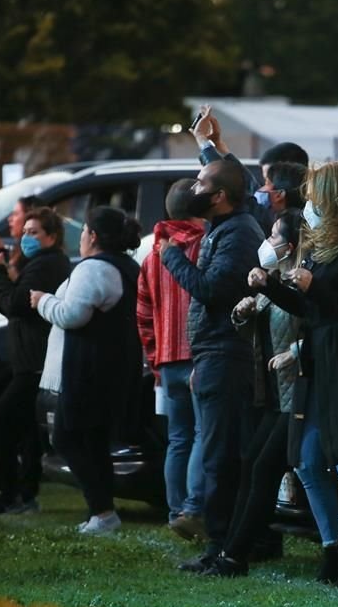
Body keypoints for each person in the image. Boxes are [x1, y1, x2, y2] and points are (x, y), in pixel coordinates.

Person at [253, 161, 338, 585]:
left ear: (336, 198)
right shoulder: (319, 247)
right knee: (307, 461)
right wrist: (271, 286)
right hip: (315, 359)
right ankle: (331, 544)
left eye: (315, 195)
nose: (308, 204)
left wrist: (315, 288)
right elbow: (310, 310)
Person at [160, 160, 265, 570]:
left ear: (219, 197)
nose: (193, 188)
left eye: (201, 183)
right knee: (223, 452)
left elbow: (213, 289)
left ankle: (223, 547)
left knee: (220, 457)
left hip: (225, 354)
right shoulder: (223, 227)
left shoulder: (237, 233)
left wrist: (172, 258)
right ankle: (234, 541)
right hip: (214, 352)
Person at [204, 210, 305, 577]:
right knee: (251, 465)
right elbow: (260, 333)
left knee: (264, 469)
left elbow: (316, 328)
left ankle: (235, 556)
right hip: (272, 394)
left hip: (295, 394)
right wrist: (243, 313)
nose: (267, 242)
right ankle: (230, 551)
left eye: (274, 235)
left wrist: (293, 354)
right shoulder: (272, 279)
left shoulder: (299, 282)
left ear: (290, 245)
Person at [33, 207, 142, 535]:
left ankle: (103, 511)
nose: (79, 238)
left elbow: (71, 315)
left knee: (68, 437)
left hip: (88, 370)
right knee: (92, 442)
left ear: (93, 236)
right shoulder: (125, 265)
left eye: (82, 232)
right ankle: (102, 511)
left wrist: (42, 301)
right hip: (108, 367)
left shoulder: (95, 268)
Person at [0, 207, 71, 519]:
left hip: (34, 365)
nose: (26, 238)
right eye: (25, 232)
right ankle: (25, 495)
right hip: (31, 362)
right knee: (30, 433)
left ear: (52, 236)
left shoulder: (46, 264)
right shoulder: (40, 263)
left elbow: (16, 304)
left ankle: (6, 494)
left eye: (34, 233)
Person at [136, 179, 207, 540]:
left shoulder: (153, 255)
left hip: (166, 360)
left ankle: (174, 508)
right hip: (198, 358)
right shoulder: (202, 247)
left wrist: (154, 359)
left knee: (178, 439)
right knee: (201, 434)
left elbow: (143, 312)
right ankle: (193, 508)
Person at [191, 104, 309, 236]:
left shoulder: (273, 222)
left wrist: (202, 139)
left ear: (279, 195)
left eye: (267, 182)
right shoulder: (302, 219)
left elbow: (225, 180)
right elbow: (247, 182)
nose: (260, 188)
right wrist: (219, 146)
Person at [0, 195, 47, 279]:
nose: (9, 219)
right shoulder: (21, 248)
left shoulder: (32, 253)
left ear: (29, 218)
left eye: (15, 214)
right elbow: (4, 260)